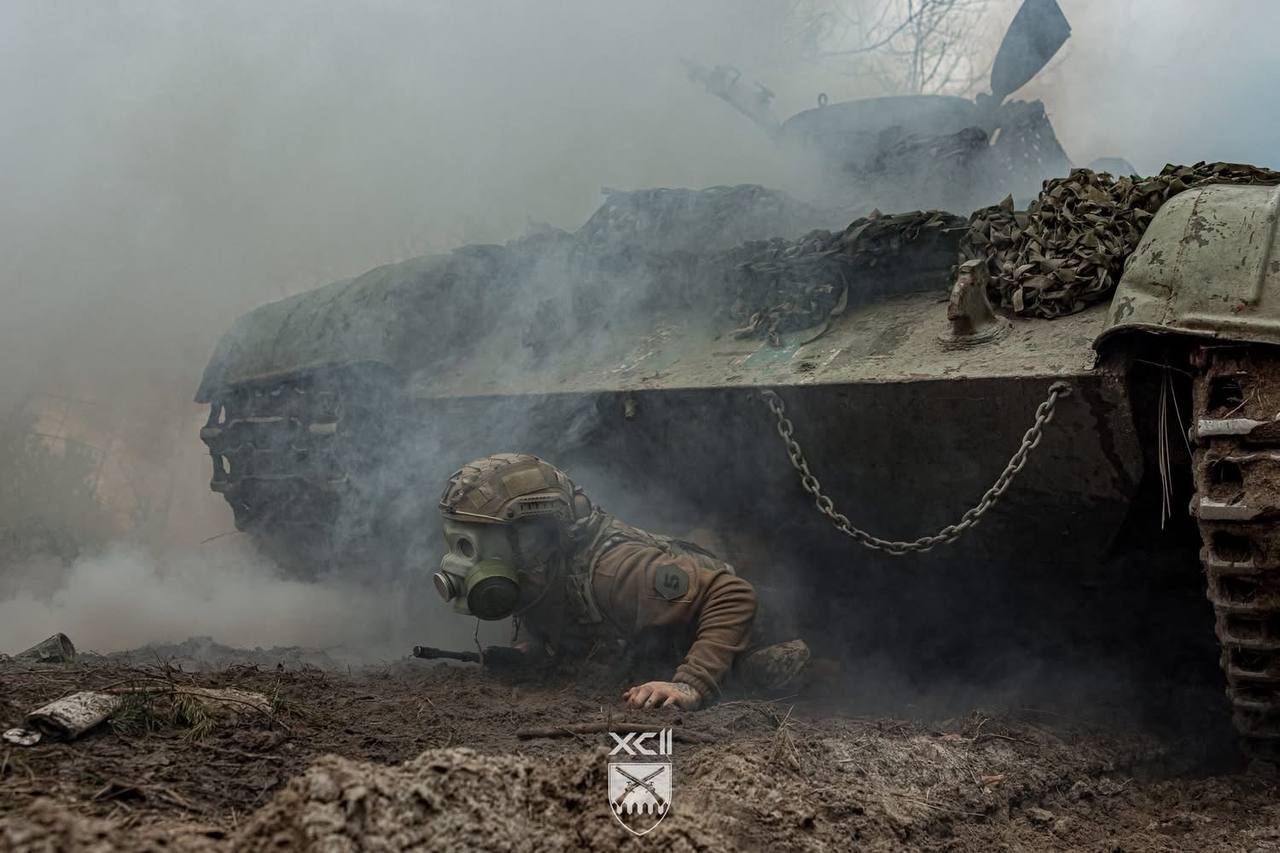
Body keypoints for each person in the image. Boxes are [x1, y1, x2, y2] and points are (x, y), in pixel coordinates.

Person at [432, 453, 809, 709]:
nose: (469, 560)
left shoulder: (613, 571)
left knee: (766, 674)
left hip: (756, 632)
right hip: (670, 639)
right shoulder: (541, 566)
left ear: (537, 534)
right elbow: (555, 606)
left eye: (482, 543)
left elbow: (732, 594)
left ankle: (820, 672)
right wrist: (534, 647)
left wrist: (690, 684)